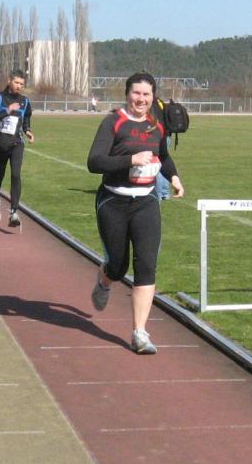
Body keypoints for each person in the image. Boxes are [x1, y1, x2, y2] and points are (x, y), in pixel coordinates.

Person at [86, 71, 184, 354]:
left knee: (147, 265)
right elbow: (94, 162)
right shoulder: (113, 122)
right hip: (113, 202)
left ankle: (139, 333)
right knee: (118, 267)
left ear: (153, 97)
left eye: (146, 94)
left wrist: (174, 177)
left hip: (146, 202)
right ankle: (105, 280)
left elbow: (162, 155)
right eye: (136, 93)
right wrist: (130, 159)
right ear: (127, 94)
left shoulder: (156, 124)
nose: (141, 99)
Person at [0, 69, 34, 228]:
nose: (19, 86)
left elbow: (26, 117)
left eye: (21, 84)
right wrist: (6, 111)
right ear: (9, 81)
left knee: (16, 175)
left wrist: (27, 130)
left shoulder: (25, 101)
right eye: (16, 82)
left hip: (16, 144)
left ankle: (14, 212)